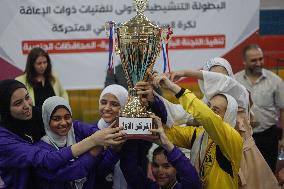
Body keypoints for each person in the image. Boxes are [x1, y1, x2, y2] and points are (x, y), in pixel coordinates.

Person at [0, 79, 124, 189]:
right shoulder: (6, 139)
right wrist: (93, 143)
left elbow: (99, 168)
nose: (27, 106)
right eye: (18, 103)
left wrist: (113, 145)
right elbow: (50, 161)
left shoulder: (38, 116)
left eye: (27, 97)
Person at [152, 72, 243, 189]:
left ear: (228, 116)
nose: (209, 111)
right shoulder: (200, 134)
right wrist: (151, 100)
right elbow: (170, 133)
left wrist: (173, 87)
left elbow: (207, 117)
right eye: (208, 107)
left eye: (215, 110)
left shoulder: (232, 138)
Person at [33, 96, 124, 189]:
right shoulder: (39, 149)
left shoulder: (77, 135)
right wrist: (94, 150)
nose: (64, 123)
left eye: (67, 117)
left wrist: (114, 149)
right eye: (56, 119)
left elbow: (99, 170)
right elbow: (69, 173)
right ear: (46, 120)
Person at [235, 44, 284, 172]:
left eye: (260, 59)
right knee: (246, 175)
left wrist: (283, 138)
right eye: (254, 60)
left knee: (268, 173)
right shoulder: (234, 81)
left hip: (268, 137)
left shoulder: (275, 81)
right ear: (244, 62)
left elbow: (283, 109)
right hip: (242, 137)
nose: (258, 63)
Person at [120, 115, 202, 189]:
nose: (160, 171)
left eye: (166, 166)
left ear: (177, 169)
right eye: (155, 165)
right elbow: (129, 167)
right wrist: (130, 132)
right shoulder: (148, 186)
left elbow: (193, 181)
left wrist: (167, 145)